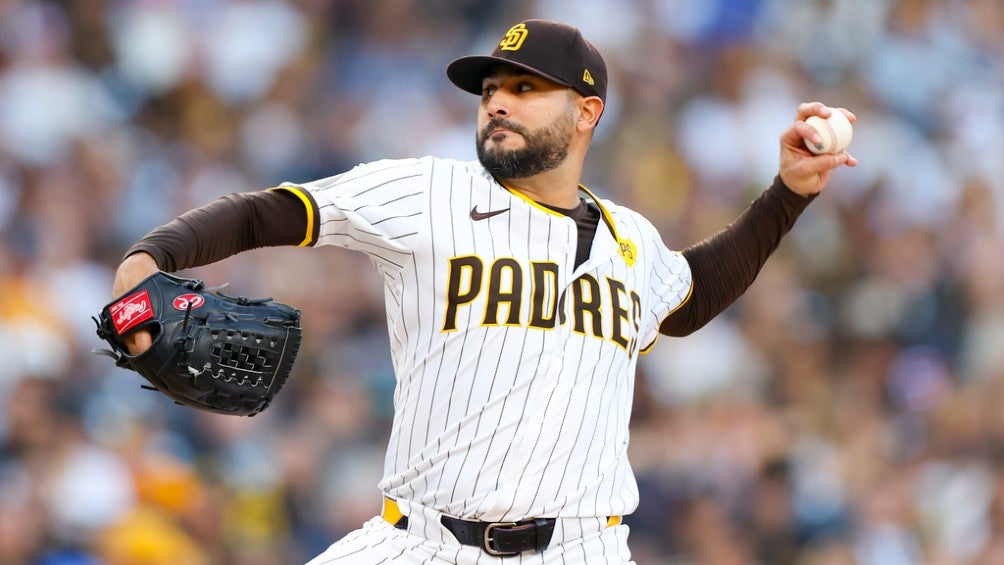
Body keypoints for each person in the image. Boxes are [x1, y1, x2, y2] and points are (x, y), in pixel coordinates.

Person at [110, 18, 856, 564]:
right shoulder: (428, 193)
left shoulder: (630, 238)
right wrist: (151, 256)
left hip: (583, 548)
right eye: (490, 89)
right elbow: (268, 211)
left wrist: (788, 194)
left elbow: (690, 297)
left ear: (587, 111)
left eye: (524, 88)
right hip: (421, 543)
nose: (497, 102)